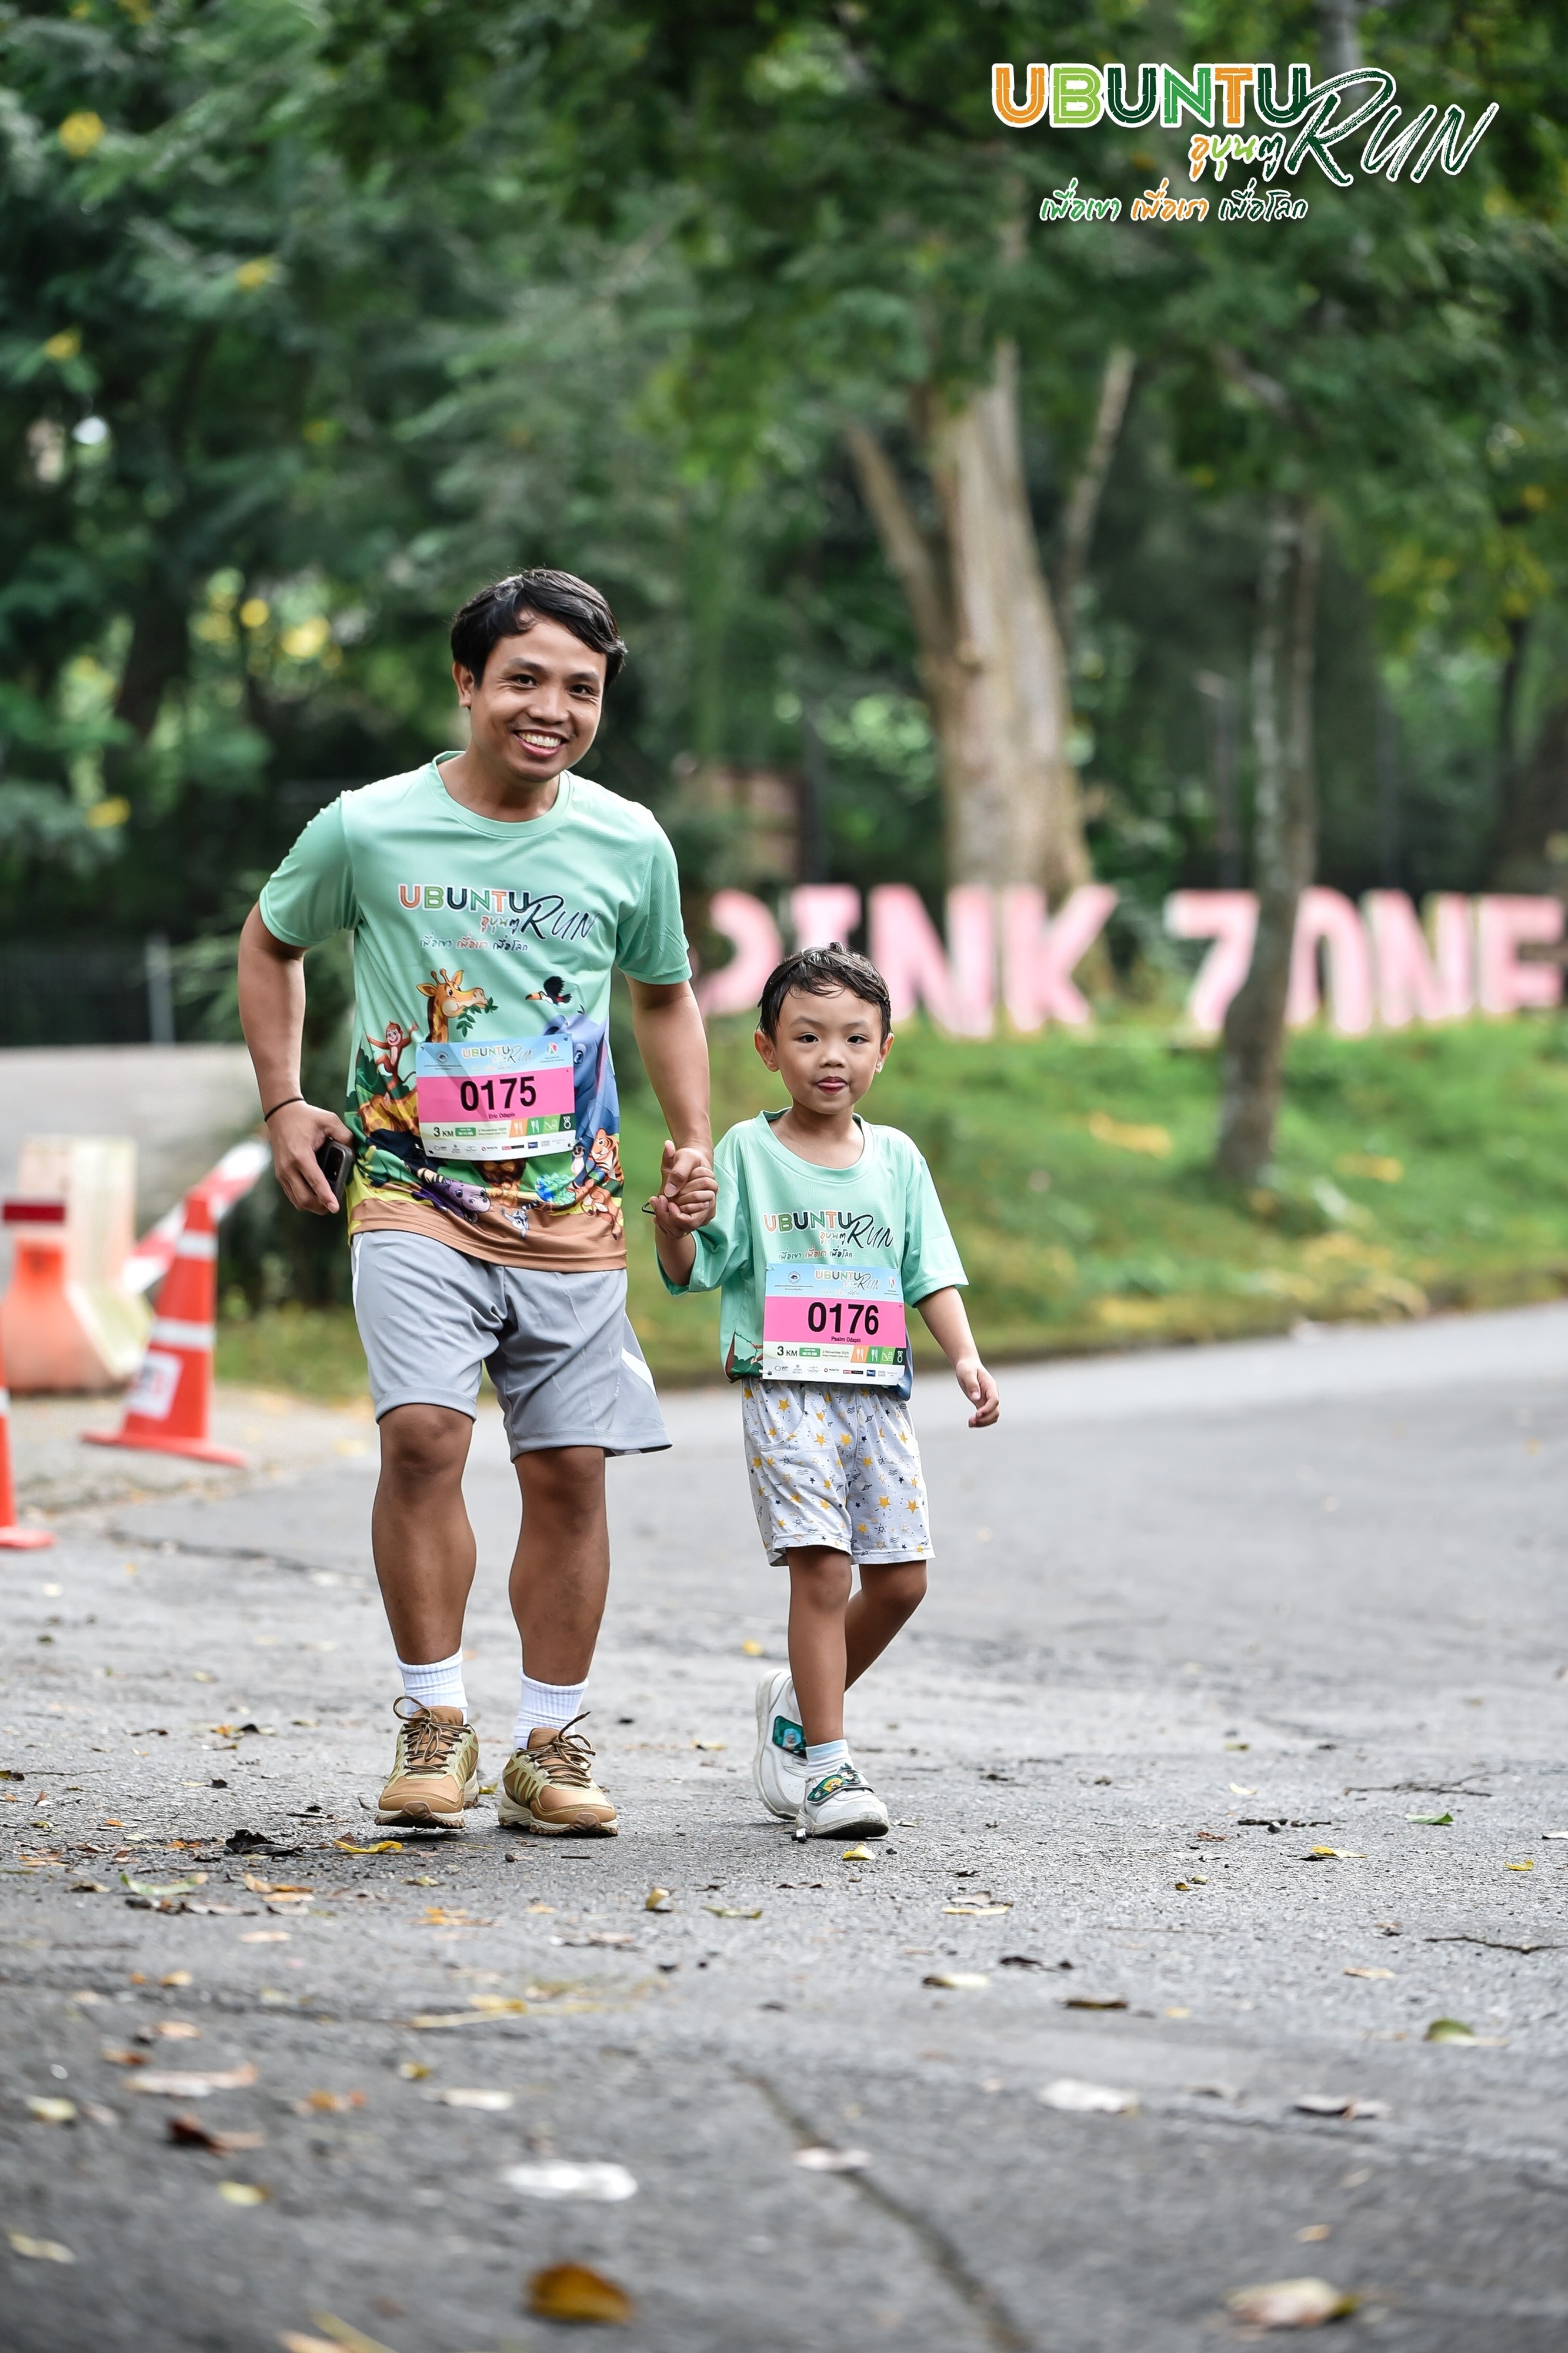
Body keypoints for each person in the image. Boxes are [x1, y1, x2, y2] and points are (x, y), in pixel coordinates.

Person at [238, 569, 716, 1837]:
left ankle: (549, 1743)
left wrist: (691, 1140)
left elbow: (665, 991)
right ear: (467, 683)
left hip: (571, 1206)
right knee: (422, 1439)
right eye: (524, 680)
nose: (550, 708)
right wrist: (285, 1101)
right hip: (412, 1188)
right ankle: (433, 1717)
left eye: (580, 689)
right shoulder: (368, 827)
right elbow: (271, 939)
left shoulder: (629, 840)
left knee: (567, 1471)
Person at [649, 944, 998, 1839]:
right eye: (807, 1037)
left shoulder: (897, 1159)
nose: (831, 1056)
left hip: (877, 1397)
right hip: (785, 1389)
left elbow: (928, 1271)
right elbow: (694, 1268)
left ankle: (799, 1708)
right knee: (823, 1567)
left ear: (885, 1050)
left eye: (853, 1037)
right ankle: (828, 1770)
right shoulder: (745, 1150)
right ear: (768, 1050)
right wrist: (674, 1227)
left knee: (902, 1582)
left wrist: (964, 1357)